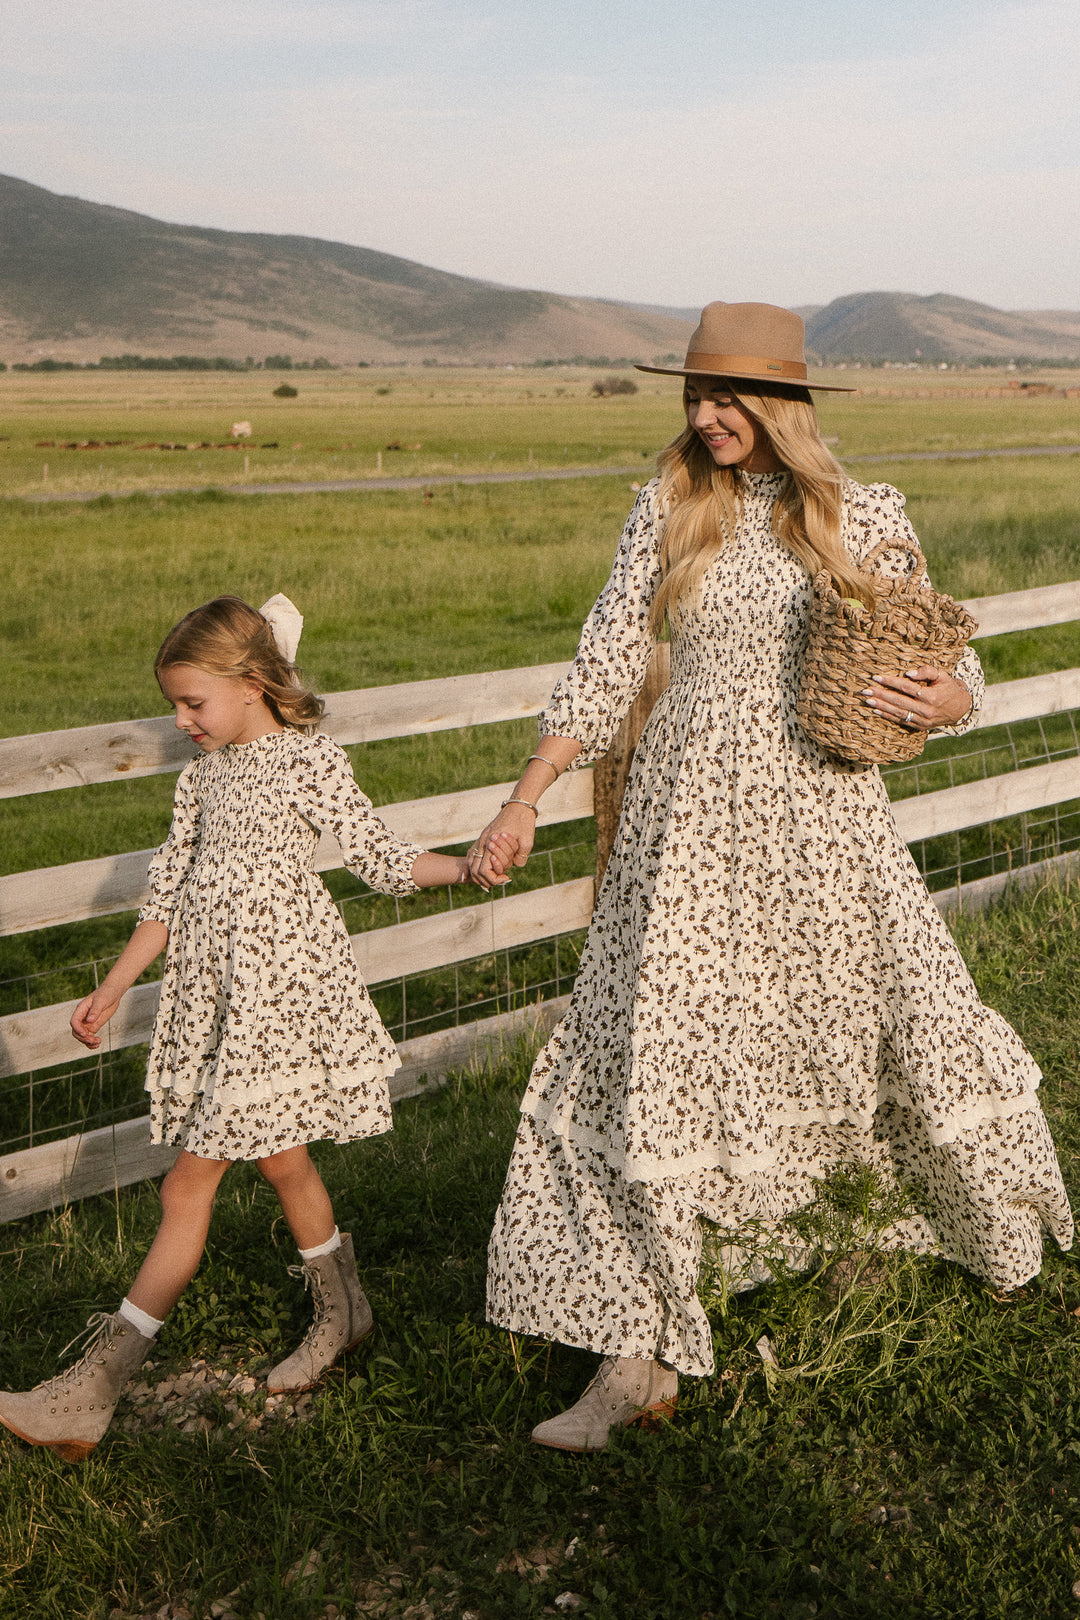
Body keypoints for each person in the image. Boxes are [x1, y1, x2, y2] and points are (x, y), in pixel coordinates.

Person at [471, 302, 1074, 1453]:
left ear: (780, 408)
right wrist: (524, 796)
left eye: (728, 397)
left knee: (882, 1021)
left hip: (824, 824)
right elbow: (603, 667)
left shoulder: (865, 512)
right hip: (682, 832)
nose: (706, 417)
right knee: (653, 1057)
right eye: (694, 395)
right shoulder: (669, 508)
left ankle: (950, 1225)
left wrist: (957, 700)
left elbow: (943, 656)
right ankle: (634, 1355)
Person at [0, 594, 485, 1463]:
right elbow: (166, 897)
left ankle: (92, 1393)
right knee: (284, 1160)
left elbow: (378, 857)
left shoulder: (308, 762)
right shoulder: (200, 780)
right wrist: (113, 986)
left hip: (282, 1006)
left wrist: (467, 866)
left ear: (254, 683)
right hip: (216, 1004)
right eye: (175, 706)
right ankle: (347, 1312)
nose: (181, 722)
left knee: (186, 1188)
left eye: (194, 703)